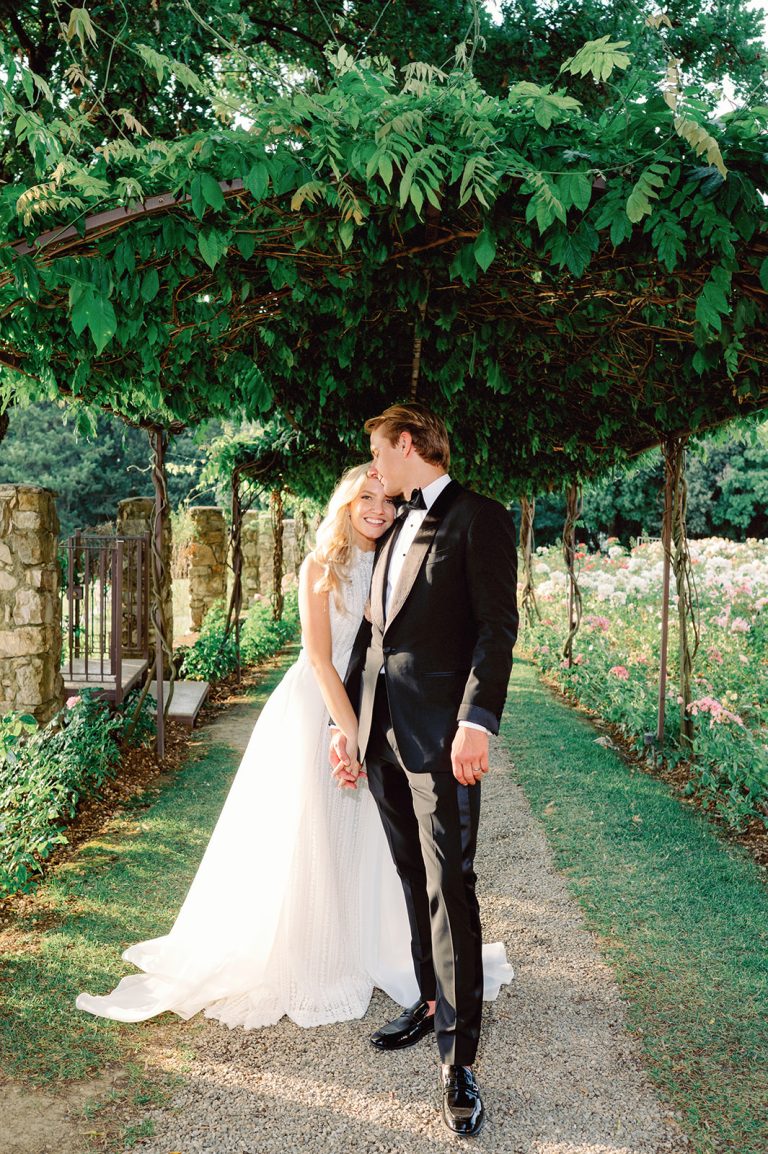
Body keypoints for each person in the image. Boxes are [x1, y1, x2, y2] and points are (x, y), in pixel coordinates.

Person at [76, 464, 512, 1030]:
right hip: (321, 708)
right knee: (313, 833)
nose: (378, 510)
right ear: (345, 504)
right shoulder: (319, 567)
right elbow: (321, 659)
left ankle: (378, 949)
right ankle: (312, 953)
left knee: (374, 842)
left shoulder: (393, 558)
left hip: (380, 715)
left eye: (386, 499)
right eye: (366, 499)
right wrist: (347, 731)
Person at [331, 405, 519, 1137]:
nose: (374, 466)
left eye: (379, 452)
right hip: (378, 732)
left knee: (451, 885)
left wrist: (477, 722)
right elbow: (374, 635)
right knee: (411, 875)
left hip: (441, 739)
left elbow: (496, 628)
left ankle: (459, 1060)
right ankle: (429, 998)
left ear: (406, 445)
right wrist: (340, 724)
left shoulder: (480, 518)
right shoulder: (395, 522)